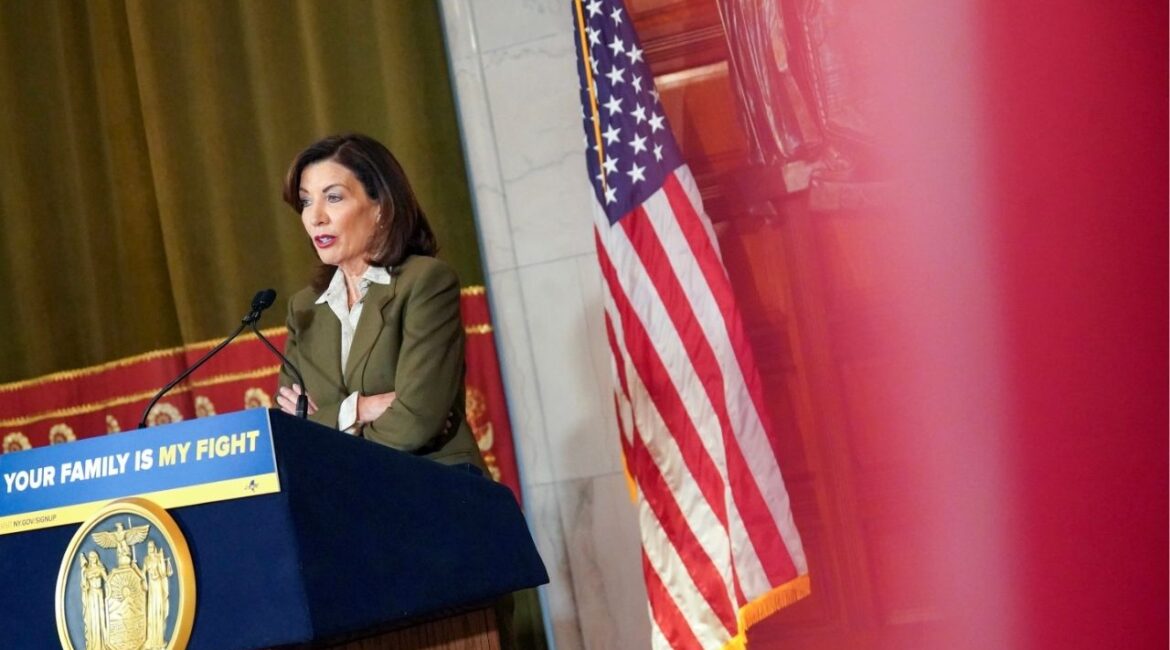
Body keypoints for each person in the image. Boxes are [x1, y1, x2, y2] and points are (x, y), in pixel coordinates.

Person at [274, 133, 484, 470]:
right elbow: (291, 431)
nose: (316, 218)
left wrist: (329, 431)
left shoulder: (425, 283)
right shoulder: (304, 309)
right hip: (351, 507)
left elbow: (417, 422)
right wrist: (360, 410)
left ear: (381, 207)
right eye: (306, 202)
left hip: (431, 492)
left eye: (333, 197)